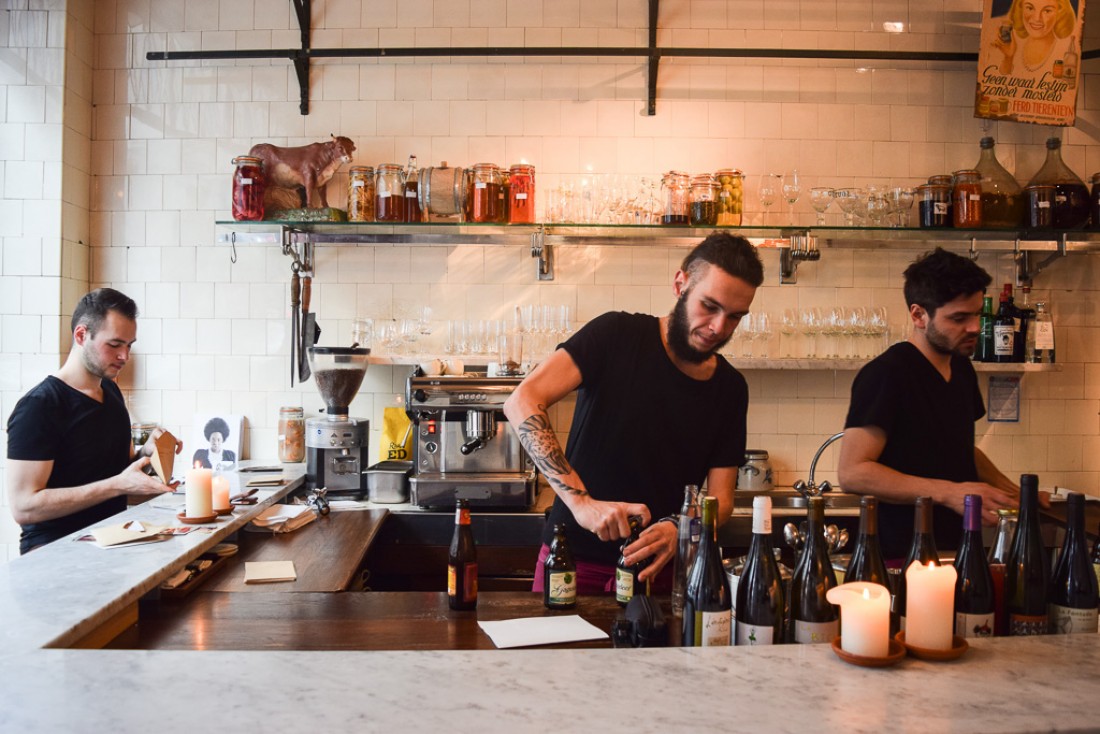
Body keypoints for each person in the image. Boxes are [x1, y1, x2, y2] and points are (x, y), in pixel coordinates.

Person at [503, 232, 763, 594]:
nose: (719, 327)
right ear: (680, 283)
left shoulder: (731, 389)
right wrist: (582, 504)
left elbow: (722, 502)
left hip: (658, 573)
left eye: (735, 317)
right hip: (573, 562)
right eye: (710, 306)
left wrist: (680, 526)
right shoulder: (616, 335)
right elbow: (522, 400)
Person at [837, 249, 1021, 560]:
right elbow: (853, 473)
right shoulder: (887, 374)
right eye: (959, 318)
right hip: (898, 556)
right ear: (918, 315)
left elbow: (961, 450)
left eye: (978, 314)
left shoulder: (962, 368)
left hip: (958, 548)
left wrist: (1016, 496)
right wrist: (949, 492)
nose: (975, 327)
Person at [6, 288, 182, 554]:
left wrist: (149, 453)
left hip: (114, 539)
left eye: (129, 345)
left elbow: (117, 474)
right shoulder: (40, 406)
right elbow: (24, 506)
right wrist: (117, 485)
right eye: (114, 345)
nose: (124, 356)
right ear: (81, 335)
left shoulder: (111, 392)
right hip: (55, 552)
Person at [992, 0, 1077, 78]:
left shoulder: (1067, 51)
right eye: (1030, 8)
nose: (1037, 18)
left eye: (1047, 11)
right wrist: (1008, 58)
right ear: (1020, 9)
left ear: (1060, 13)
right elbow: (999, 81)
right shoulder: (1011, 40)